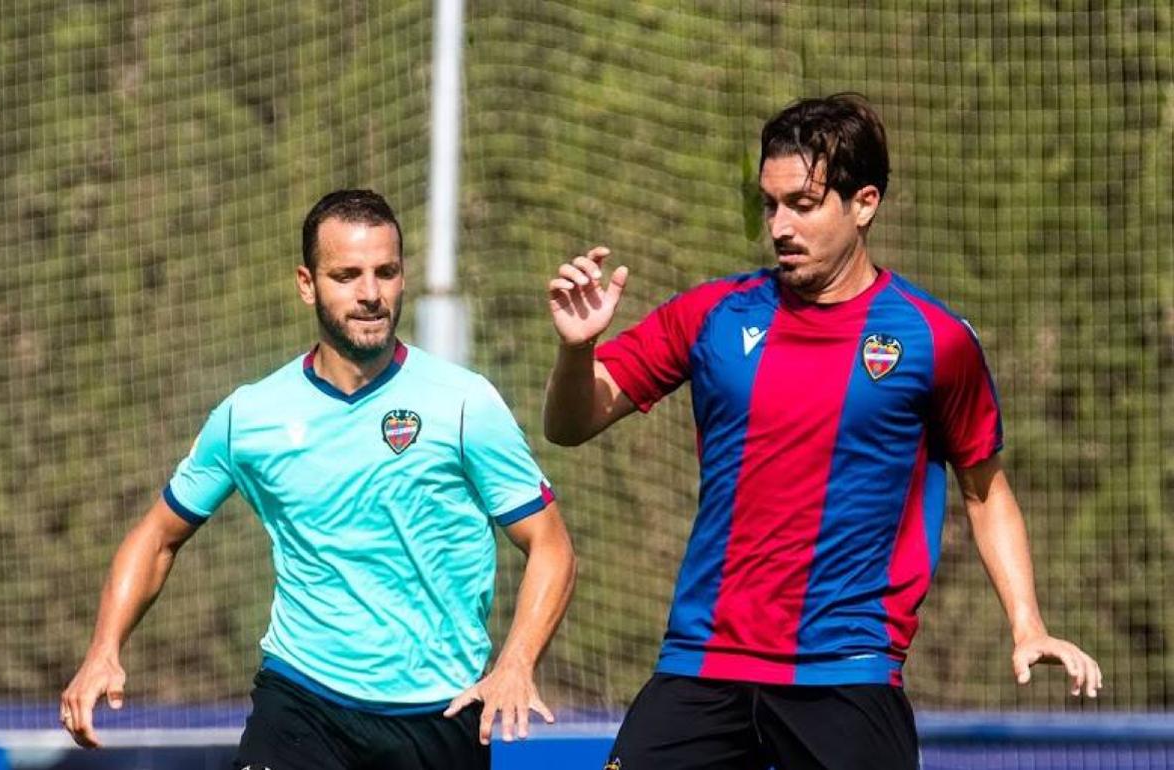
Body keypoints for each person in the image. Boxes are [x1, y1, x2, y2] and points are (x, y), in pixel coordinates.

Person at [542, 94, 1102, 769]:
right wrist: (577, 350)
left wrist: (1027, 623)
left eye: (803, 205)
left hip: (847, 673)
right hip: (702, 665)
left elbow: (987, 494)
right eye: (770, 204)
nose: (779, 225)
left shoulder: (935, 340)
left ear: (863, 202)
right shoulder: (714, 315)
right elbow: (571, 425)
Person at [61, 188, 576, 770]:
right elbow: (157, 536)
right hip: (301, 702)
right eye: (347, 275)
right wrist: (104, 647)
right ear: (307, 283)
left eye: (386, 272)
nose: (370, 294)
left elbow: (551, 545)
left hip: (439, 716)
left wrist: (516, 661)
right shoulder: (249, 416)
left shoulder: (465, 404)